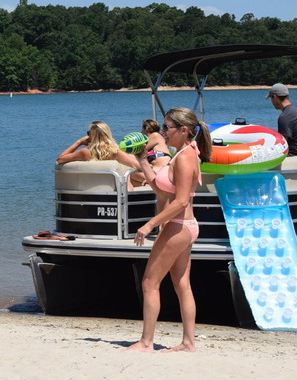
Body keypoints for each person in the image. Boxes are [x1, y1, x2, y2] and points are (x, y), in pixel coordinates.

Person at [126, 107, 212, 353]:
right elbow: (163, 191)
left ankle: (146, 343)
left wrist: (150, 224)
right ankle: (188, 343)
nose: (162, 132)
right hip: (184, 227)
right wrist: (143, 160)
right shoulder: (183, 153)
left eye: (166, 128)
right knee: (181, 283)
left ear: (184, 130)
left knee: (149, 283)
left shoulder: (185, 157)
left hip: (179, 226)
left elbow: (181, 201)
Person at [56, 120, 140, 171]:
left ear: (91, 136)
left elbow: (60, 159)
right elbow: (138, 166)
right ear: (107, 134)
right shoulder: (115, 153)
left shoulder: (85, 153)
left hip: (92, 192)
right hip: (114, 191)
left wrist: (79, 142)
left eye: (89, 133)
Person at [266, 83, 297, 156]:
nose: (272, 102)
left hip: (293, 157)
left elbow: (282, 145)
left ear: (275, 97)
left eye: (271, 99)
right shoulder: (295, 111)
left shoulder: (285, 116)